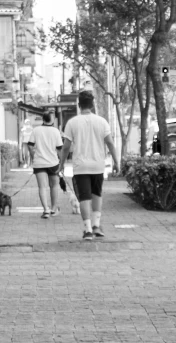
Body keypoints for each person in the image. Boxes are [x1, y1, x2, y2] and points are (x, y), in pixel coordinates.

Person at [59, 91, 120, 241]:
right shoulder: (102, 122)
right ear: (92, 105)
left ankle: (87, 230)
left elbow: (66, 147)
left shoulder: (72, 123)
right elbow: (110, 143)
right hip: (98, 166)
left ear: (79, 105)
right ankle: (97, 226)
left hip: (80, 167)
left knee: (84, 198)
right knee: (97, 195)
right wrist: (117, 162)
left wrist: (61, 164)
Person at [28, 112, 63, 218]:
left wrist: (34, 155)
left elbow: (30, 146)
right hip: (53, 162)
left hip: (39, 163)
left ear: (43, 119)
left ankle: (46, 210)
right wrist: (61, 162)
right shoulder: (55, 131)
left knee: (42, 187)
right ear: (52, 120)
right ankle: (53, 209)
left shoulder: (36, 130)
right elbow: (59, 148)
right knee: (54, 186)